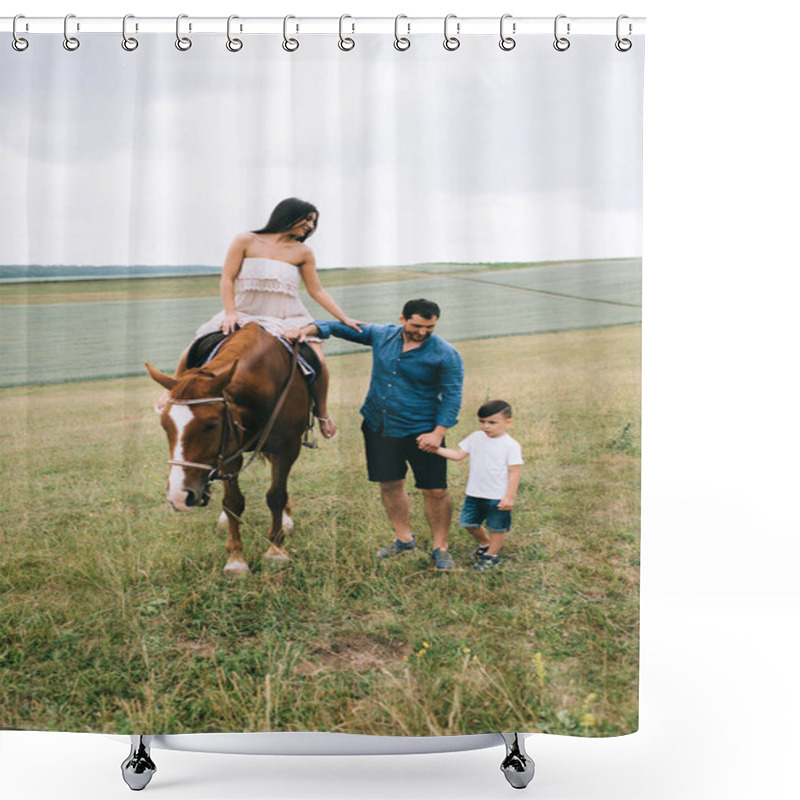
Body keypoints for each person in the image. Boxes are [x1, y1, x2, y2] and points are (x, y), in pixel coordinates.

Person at [157, 198, 361, 439]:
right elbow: (227, 278)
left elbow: (317, 290)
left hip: (287, 316)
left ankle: (322, 413)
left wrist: (344, 317)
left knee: (320, 361)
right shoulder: (245, 240)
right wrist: (230, 313)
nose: (310, 226)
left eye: (313, 222)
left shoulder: (303, 252)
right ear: (287, 215)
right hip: (245, 312)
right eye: (306, 219)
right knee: (193, 347)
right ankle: (175, 391)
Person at [286, 299, 465, 570]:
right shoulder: (382, 334)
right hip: (378, 426)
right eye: (417, 325)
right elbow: (334, 326)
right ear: (402, 318)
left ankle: (441, 548)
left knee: (436, 490)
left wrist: (438, 434)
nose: (422, 332)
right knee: (390, 484)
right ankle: (403, 539)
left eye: (429, 327)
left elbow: (452, 397)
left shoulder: (445, 353)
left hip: (422, 431)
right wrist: (306, 330)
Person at [432, 399, 523, 571]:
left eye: (492, 422)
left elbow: (514, 472)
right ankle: (485, 544)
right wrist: (435, 448)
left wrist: (509, 496)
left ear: (508, 423)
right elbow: (458, 455)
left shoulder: (510, 445)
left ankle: (491, 555)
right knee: (469, 523)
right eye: (482, 422)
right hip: (474, 492)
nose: (486, 426)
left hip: (498, 495)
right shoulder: (476, 437)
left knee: (497, 527)